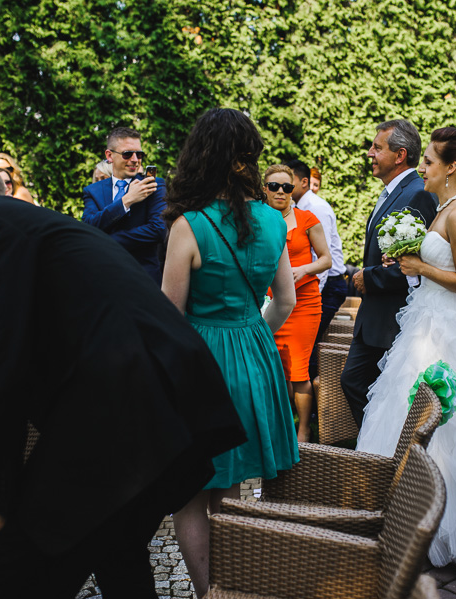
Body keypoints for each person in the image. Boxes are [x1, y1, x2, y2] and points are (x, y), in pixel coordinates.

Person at [0, 149, 246, 599]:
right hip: (181, 406)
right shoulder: (46, 225)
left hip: (117, 416)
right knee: (119, 552)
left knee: (21, 573)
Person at [356, 127, 456, 583]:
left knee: (443, 424)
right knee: (405, 415)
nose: (422, 167)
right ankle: (412, 520)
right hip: (426, 320)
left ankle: (444, 528)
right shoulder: (444, 208)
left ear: (451, 167)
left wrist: (420, 266)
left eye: (428, 161)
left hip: (448, 329)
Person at [161, 108, 299, 597]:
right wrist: (250, 335)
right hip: (254, 356)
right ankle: (231, 588)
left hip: (201, 363)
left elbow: (169, 317)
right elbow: (285, 300)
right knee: (231, 487)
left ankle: (208, 594)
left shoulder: (189, 225)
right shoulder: (273, 220)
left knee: (190, 493)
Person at [340, 119, 437, 427]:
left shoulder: (418, 194)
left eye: (376, 147)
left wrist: (368, 278)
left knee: (363, 386)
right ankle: (378, 447)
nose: (370, 153)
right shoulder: (392, 192)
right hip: (375, 318)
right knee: (360, 386)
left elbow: (415, 266)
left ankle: (383, 449)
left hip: (392, 318)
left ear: (400, 155)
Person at [264, 164, 331, 441]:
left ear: (293, 189)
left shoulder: (307, 219)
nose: (281, 191)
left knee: (299, 370)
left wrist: (303, 270)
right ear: (264, 189)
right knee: (276, 369)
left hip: (304, 304)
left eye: (287, 187)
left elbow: (326, 259)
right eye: (274, 186)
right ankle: (281, 426)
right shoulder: (257, 219)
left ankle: (303, 430)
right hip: (270, 304)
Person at [284, 160, 348, 382]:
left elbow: (321, 256)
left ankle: (311, 398)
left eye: (289, 181)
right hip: (313, 283)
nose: (283, 187)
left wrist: (313, 296)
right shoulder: (295, 208)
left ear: (304, 182)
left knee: (308, 349)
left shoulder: (315, 208)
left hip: (326, 285)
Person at [82, 127, 167, 284]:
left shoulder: (153, 185)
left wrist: (106, 242)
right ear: (110, 156)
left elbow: (158, 229)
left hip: (143, 278)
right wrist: (126, 201)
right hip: (103, 276)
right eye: (127, 154)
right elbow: (89, 226)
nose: (135, 159)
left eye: (139, 154)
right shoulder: (93, 191)